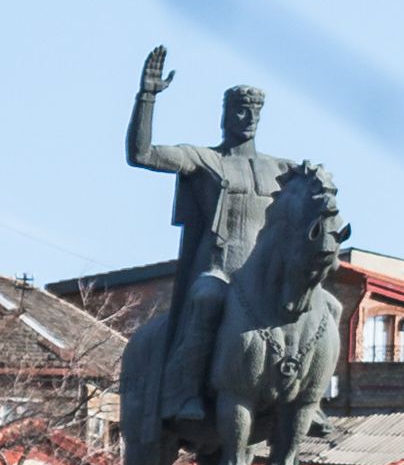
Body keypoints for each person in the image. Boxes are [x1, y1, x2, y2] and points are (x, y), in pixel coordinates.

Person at [127, 47, 296, 439]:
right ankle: (184, 394)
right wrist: (147, 98)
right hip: (219, 270)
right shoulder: (204, 160)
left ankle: (307, 399)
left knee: (316, 306)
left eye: (254, 111)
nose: (248, 118)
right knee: (207, 302)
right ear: (226, 115)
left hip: (263, 278)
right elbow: (142, 154)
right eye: (240, 110)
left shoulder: (281, 168)